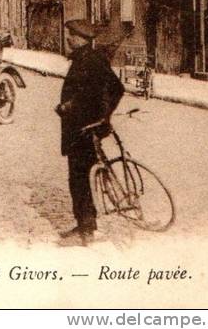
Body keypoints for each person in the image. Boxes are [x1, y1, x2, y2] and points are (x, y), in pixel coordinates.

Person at [55, 19, 125, 246]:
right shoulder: (84, 58)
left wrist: (100, 116)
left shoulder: (91, 60)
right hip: (81, 128)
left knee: (80, 178)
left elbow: (114, 89)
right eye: (69, 34)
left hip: (85, 130)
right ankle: (84, 224)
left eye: (72, 35)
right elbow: (92, 92)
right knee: (80, 177)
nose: (68, 38)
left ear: (83, 39)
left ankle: (86, 231)